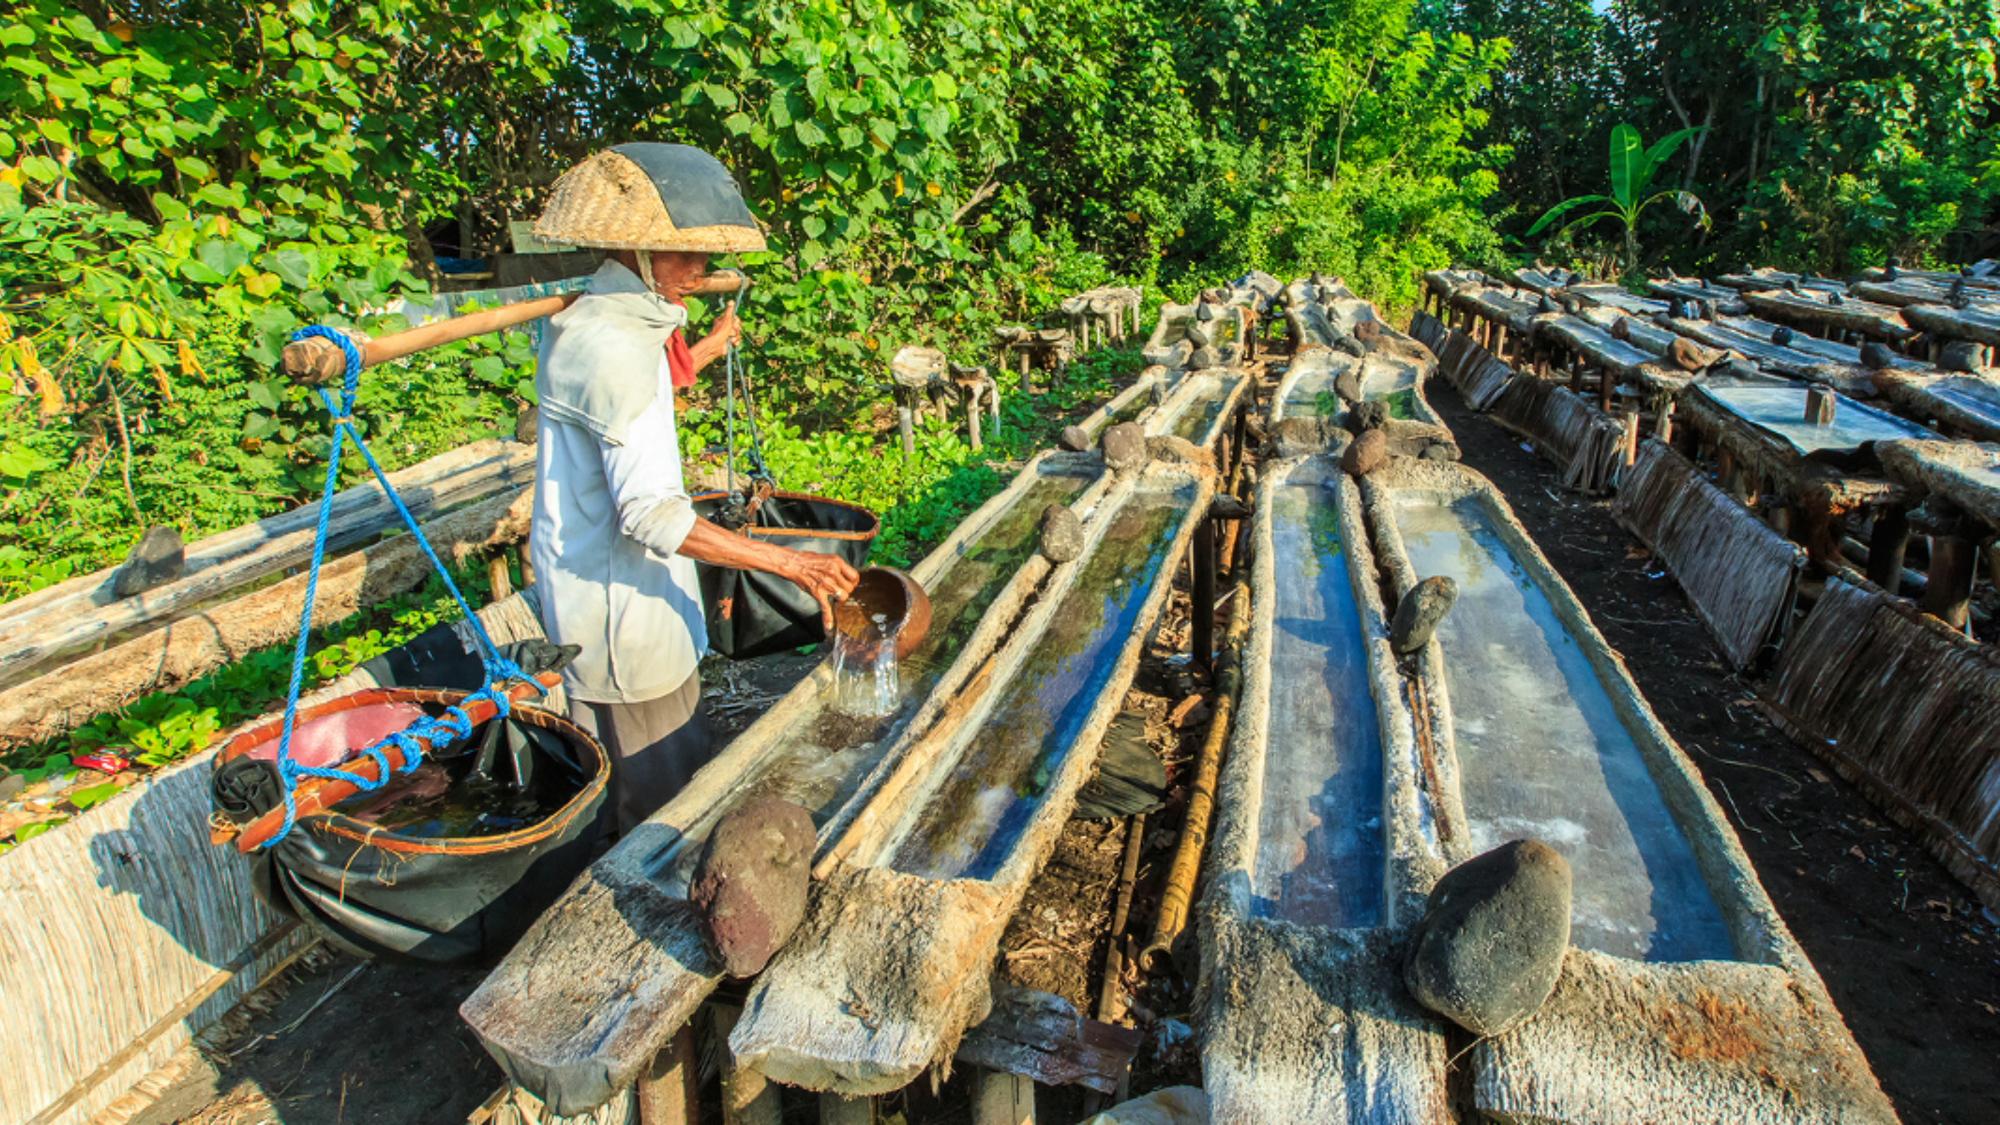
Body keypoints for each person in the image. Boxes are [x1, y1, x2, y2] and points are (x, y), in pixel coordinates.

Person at [528, 143, 858, 832]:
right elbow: (649, 514)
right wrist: (791, 561)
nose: (701, 271)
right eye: (687, 255)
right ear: (639, 252)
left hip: (588, 597)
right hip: (624, 622)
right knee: (657, 808)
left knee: (616, 787)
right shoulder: (622, 351)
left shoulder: (583, 324)